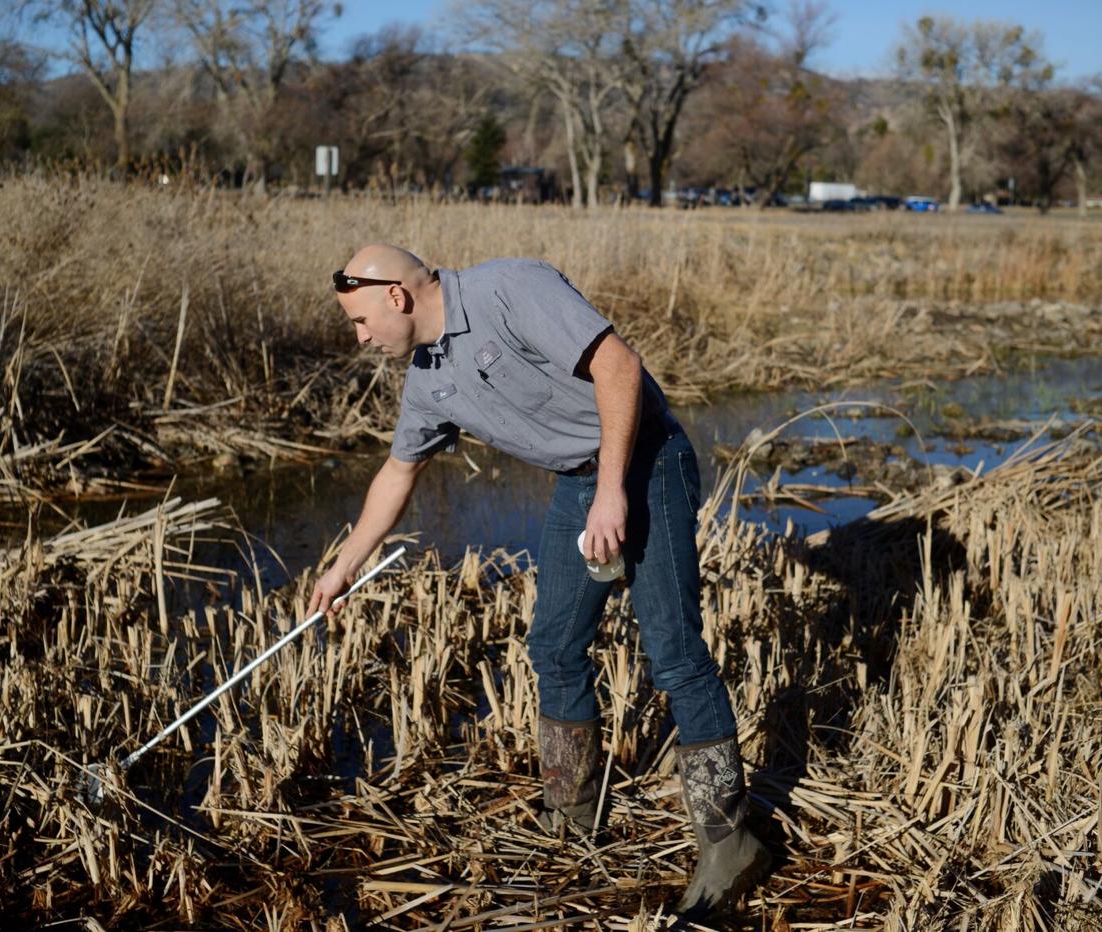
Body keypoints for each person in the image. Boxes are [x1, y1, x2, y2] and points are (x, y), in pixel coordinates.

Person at [309, 244, 770, 919]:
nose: (360, 337)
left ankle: (731, 843)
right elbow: (399, 472)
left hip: (647, 461)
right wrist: (344, 564)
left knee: (673, 651)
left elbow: (620, 366)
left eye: (359, 320)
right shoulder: (428, 379)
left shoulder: (509, 289)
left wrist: (612, 493)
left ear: (396, 297)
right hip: (579, 482)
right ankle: (572, 817)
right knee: (554, 648)